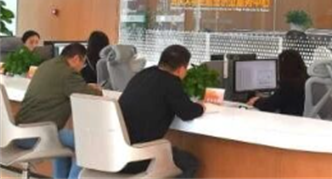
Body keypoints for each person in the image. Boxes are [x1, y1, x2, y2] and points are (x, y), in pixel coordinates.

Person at [15, 43, 102, 179]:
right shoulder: (68, 73)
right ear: (76, 59)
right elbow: (90, 95)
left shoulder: (46, 65)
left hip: (19, 132)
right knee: (86, 144)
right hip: (38, 135)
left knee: (64, 146)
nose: (82, 68)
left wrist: (84, 86)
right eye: (83, 63)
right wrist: (96, 90)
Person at [118, 45, 204, 179]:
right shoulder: (171, 83)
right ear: (182, 69)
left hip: (114, 153)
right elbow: (187, 113)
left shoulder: (143, 74)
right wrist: (201, 106)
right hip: (138, 157)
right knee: (189, 163)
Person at [248, 49, 307, 116]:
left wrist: (255, 101)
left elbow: (269, 105)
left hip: (290, 120)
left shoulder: (288, 85)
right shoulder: (306, 79)